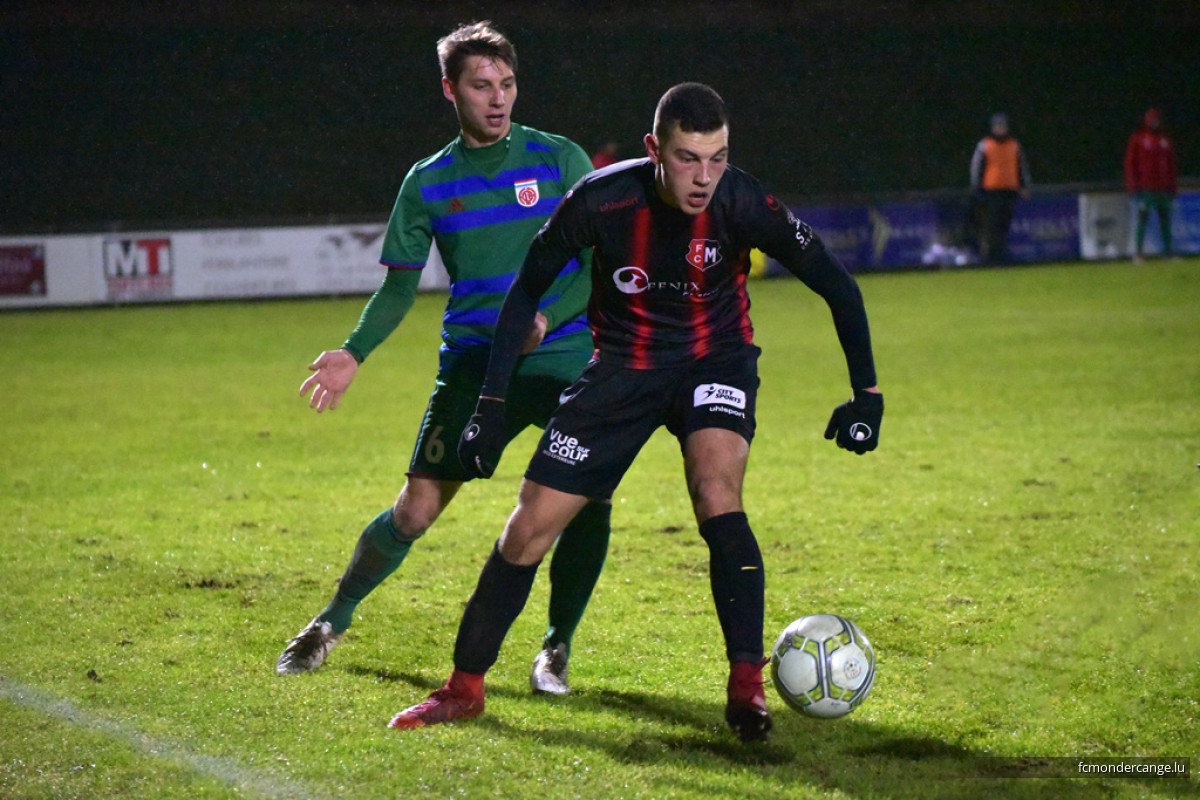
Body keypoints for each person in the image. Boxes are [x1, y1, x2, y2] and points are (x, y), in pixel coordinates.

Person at [388, 83, 884, 742]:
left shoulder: (744, 201)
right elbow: (525, 292)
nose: (705, 177)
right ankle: (464, 689)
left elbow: (837, 287)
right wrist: (489, 405)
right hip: (622, 373)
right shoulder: (602, 200)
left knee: (717, 495)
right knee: (528, 529)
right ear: (655, 149)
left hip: (716, 366)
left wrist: (867, 396)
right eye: (687, 158)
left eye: (717, 157)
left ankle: (746, 689)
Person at [276, 21, 612, 697]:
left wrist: (549, 318)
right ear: (449, 91)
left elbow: (598, 260)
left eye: (507, 84)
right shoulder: (428, 182)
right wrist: (353, 352)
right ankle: (330, 620)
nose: (497, 98)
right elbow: (400, 286)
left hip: (564, 359)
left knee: (584, 494)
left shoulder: (559, 159)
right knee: (417, 509)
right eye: (481, 85)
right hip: (473, 363)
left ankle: (556, 648)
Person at [969, 113, 1032, 264]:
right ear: (992, 128)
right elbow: (976, 168)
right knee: (992, 225)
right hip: (991, 191)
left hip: (1010, 190)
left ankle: (1002, 256)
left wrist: (1024, 186)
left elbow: (1021, 167)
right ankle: (991, 257)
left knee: (1005, 224)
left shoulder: (1014, 145)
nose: (1000, 129)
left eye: (1002, 126)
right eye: (997, 126)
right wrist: (977, 188)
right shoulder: (985, 145)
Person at [1124, 107, 1178, 262]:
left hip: (1163, 189)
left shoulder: (1165, 141)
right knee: (1142, 219)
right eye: (1152, 120)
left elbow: (1172, 165)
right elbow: (1130, 163)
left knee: (1165, 220)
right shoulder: (1138, 139)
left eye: (1156, 120)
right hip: (1146, 189)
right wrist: (1132, 186)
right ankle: (1138, 254)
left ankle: (1168, 253)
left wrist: (1172, 187)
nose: (1154, 123)